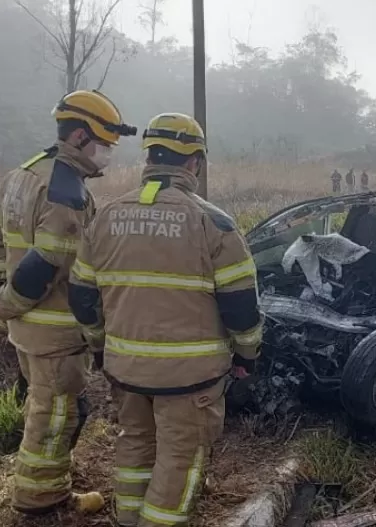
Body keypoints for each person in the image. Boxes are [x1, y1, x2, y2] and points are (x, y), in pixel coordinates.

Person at [67, 112, 263, 527]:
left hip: (125, 369)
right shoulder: (214, 223)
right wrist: (247, 355)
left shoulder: (106, 217)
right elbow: (241, 306)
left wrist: (101, 347)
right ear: (194, 162)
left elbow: (83, 297)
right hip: (190, 377)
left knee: (135, 444)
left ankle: (129, 519)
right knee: (180, 457)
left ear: (150, 157)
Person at [0, 89, 136, 516]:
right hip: (55, 332)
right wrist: (8, 302)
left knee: (43, 407)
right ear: (80, 136)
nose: (108, 154)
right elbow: (47, 263)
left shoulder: (23, 174)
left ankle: (42, 490)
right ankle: (42, 502)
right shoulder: (66, 192)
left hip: (25, 330)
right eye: (104, 144)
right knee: (55, 418)